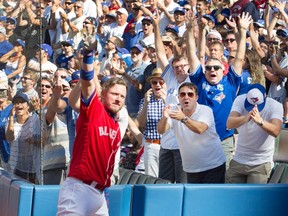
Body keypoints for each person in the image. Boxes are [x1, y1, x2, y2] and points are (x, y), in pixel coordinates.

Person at [57, 32, 127, 215]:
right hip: (79, 189)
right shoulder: (94, 109)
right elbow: (88, 82)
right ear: (103, 94)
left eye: (122, 96)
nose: (118, 99)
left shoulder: (115, 125)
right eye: (114, 94)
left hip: (99, 193)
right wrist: (88, 54)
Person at [157, 82, 226, 183]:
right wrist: (164, 117)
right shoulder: (175, 111)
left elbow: (200, 129)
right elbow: (161, 130)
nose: (186, 97)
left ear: (196, 97)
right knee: (195, 199)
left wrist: (183, 118)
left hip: (213, 166)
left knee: (209, 198)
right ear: (178, 97)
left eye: (190, 94)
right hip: (191, 168)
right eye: (182, 94)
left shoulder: (205, 110)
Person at [226, 84, 283, 183]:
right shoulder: (240, 100)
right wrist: (245, 118)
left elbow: (276, 131)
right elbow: (229, 123)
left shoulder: (275, 105)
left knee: (255, 197)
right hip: (239, 159)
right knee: (231, 195)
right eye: (251, 106)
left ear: (266, 97)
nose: (254, 109)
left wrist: (260, 122)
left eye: (258, 106)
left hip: (261, 162)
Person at [137, 68, 166, 177]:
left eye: (161, 82)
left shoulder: (173, 98)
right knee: (152, 180)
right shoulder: (145, 100)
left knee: (168, 181)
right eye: (154, 82)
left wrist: (166, 100)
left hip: (168, 145)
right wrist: (145, 104)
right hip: (151, 144)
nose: (158, 85)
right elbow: (141, 123)